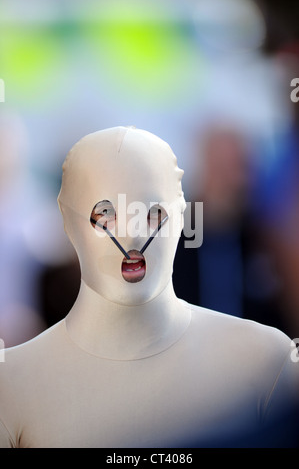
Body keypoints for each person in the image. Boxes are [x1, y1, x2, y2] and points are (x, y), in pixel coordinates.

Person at [0, 126, 298, 448]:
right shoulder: (12, 383)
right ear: (67, 221)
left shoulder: (267, 362)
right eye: (105, 214)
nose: (132, 236)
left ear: (182, 216)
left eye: (153, 213)